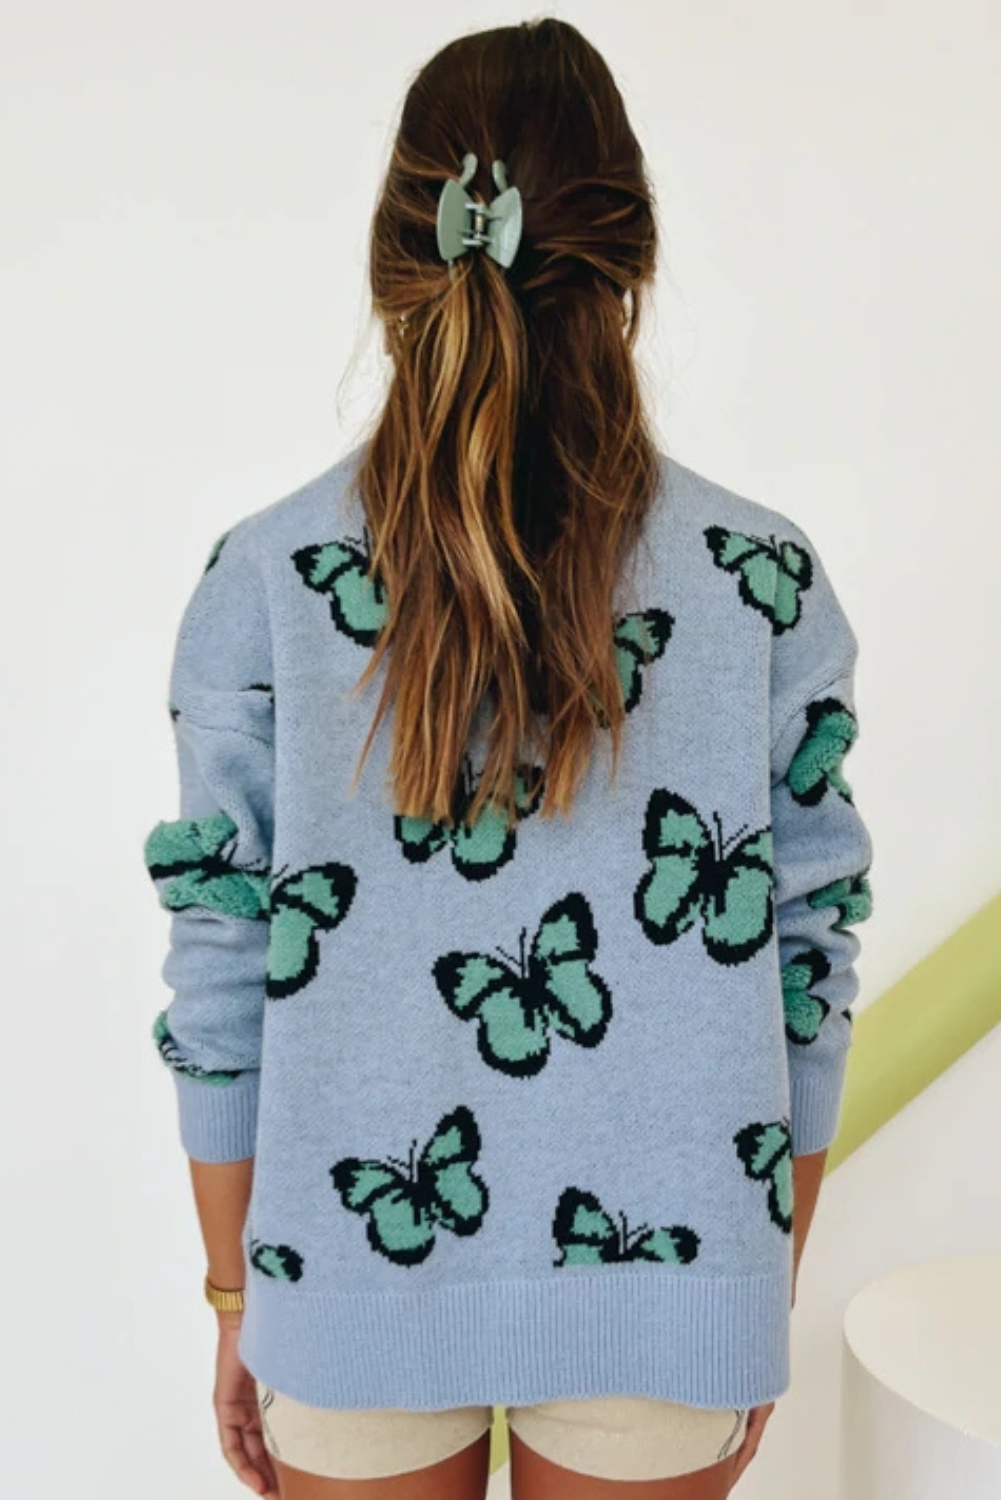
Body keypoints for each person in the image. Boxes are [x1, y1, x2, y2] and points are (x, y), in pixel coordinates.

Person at [143, 16, 874, 1500]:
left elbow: (221, 964)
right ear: (630, 255)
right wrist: (748, 1289)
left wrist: (235, 1295)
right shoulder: (762, 582)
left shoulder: (264, 580)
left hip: (344, 1276)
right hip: (674, 1273)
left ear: (394, 261)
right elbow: (808, 955)